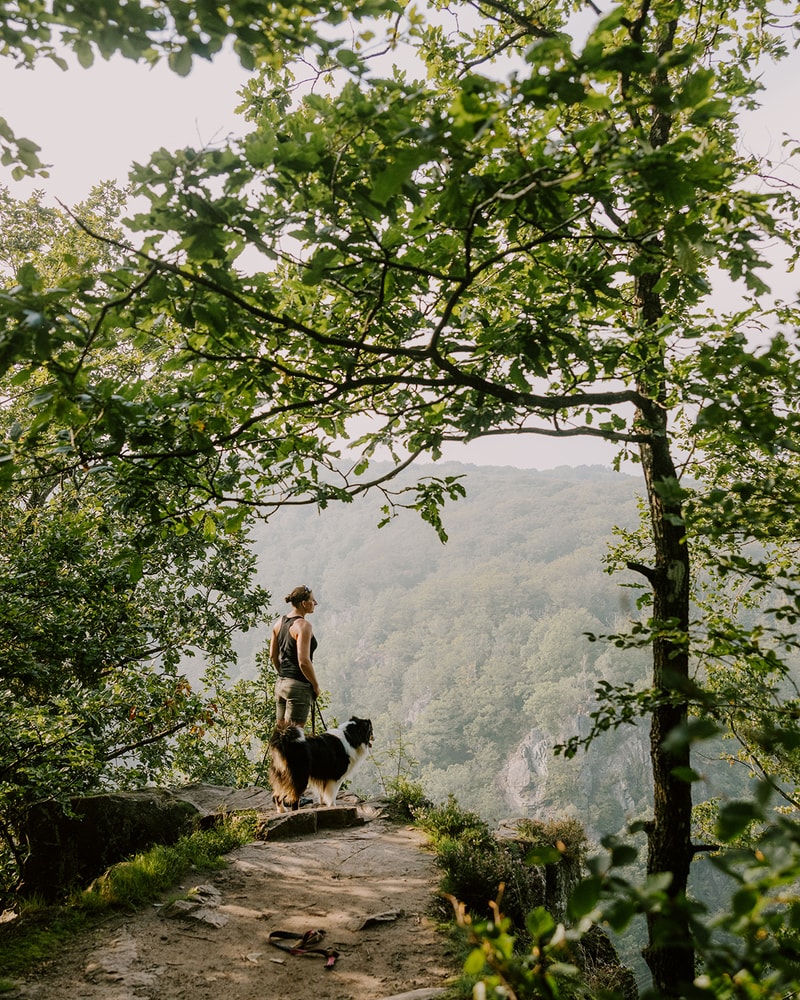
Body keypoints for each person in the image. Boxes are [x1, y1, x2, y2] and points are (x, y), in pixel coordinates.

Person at [269, 584, 321, 729]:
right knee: (294, 738)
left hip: (281, 684)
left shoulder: (279, 623)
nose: (315, 603)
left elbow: (273, 656)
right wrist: (315, 685)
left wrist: (284, 674)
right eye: (312, 600)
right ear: (304, 604)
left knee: (281, 736)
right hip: (298, 686)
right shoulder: (303, 626)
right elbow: (303, 661)